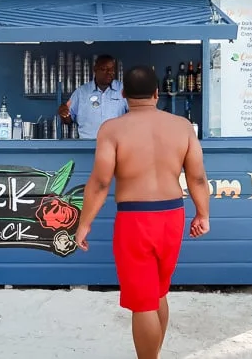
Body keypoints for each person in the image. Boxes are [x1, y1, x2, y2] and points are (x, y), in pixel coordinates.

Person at [74, 65, 210, 359]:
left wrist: (84, 224)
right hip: (173, 215)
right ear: (157, 93)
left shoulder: (112, 129)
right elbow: (197, 178)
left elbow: (99, 182)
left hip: (135, 219)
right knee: (158, 292)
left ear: (123, 95)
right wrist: (203, 214)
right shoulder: (182, 126)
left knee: (143, 302)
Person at [58, 54, 129, 139]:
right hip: (87, 146)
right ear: (95, 69)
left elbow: (135, 115)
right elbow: (68, 120)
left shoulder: (123, 90)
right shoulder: (81, 92)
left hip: (116, 146)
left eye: (112, 69)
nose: (110, 72)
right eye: (104, 69)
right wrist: (64, 113)